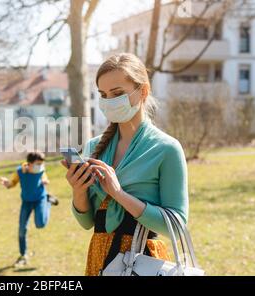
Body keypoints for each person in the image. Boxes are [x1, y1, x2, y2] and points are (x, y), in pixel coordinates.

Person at [61, 53, 189, 276]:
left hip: (143, 262)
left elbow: (176, 226)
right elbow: (87, 223)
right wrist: (78, 191)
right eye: (103, 95)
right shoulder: (93, 147)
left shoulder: (167, 149)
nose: (110, 101)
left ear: (143, 91)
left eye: (118, 93)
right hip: (99, 257)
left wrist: (119, 193)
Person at [0, 152, 59, 267]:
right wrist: (7, 184)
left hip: (39, 199)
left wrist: (45, 180)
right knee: (22, 229)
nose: (40, 166)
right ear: (30, 164)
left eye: (42, 164)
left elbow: (45, 178)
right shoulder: (20, 171)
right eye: (38, 164)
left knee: (40, 224)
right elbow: (12, 183)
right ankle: (23, 255)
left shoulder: (40, 170)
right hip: (26, 201)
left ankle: (48, 202)